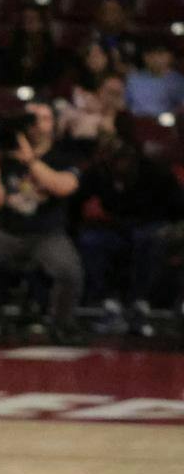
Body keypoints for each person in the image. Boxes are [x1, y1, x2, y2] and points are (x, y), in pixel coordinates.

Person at [0, 103, 84, 345]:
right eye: (31, 119)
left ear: (53, 125)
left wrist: (31, 161)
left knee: (69, 271)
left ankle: (61, 324)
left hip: (47, 233)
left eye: (43, 119)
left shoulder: (63, 153)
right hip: (7, 231)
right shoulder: (4, 155)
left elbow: (64, 187)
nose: (35, 125)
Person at [73, 134, 184, 335]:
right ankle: (109, 304)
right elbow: (75, 203)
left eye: (124, 157)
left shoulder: (155, 172)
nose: (120, 163)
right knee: (90, 241)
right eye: (115, 158)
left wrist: (169, 227)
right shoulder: (99, 173)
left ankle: (139, 304)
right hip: (115, 227)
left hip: (153, 225)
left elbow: (177, 208)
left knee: (149, 239)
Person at [125, 45, 184, 119]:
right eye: (150, 55)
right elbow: (125, 103)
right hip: (135, 121)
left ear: (170, 57)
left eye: (160, 54)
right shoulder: (133, 78)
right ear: (145, 57)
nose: (155, 58)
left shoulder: (178, 81)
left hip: (165, 122)